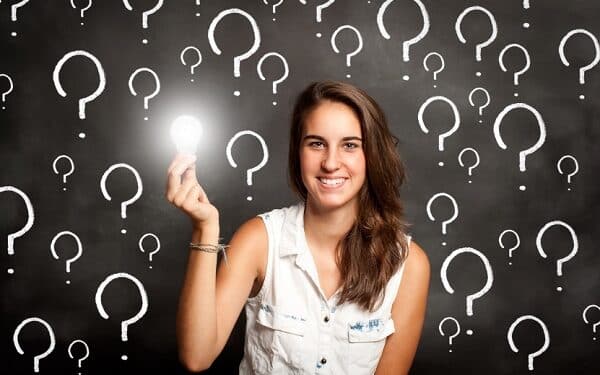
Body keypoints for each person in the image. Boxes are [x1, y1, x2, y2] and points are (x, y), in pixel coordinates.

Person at [166, 80, 430, 374]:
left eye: (350, 145)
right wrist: (205, 228)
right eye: (316, 143)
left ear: (373, 155)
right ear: (297, 152)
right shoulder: (259, 240)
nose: (331, 163)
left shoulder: (409, 264)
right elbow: (196, 356)